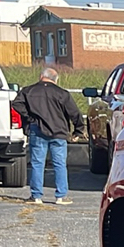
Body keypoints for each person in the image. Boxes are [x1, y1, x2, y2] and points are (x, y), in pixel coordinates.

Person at [14, 67, 81, 204]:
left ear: (41, 76)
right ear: (56, 80)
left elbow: (16, 104)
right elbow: (74, 113)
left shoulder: (28, 91)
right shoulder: (62, 93)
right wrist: (78, 130)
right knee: (59, 164)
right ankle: (61, 196)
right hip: (59, 131)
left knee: (37, 163)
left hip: (37, 130)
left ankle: (36, 196)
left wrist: (30, 118)